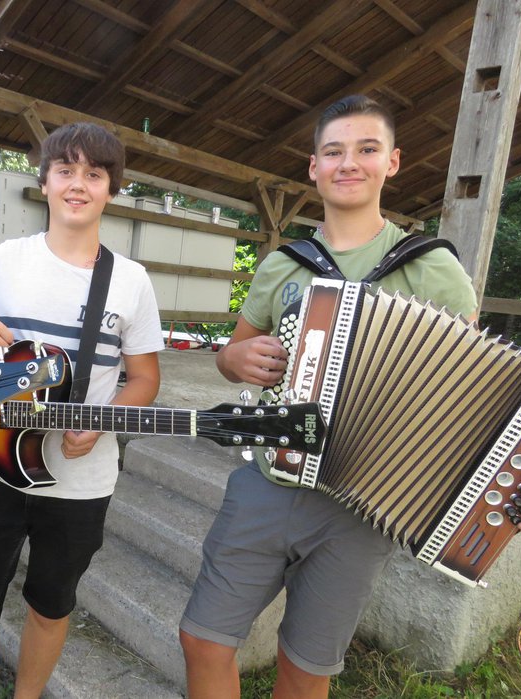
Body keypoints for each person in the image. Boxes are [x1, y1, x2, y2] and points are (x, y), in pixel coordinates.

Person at [178, 95, 486, 698]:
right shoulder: (283, 264)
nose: (350, 163)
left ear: (391, 162)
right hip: (268, 480)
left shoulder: (432, 267)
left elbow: (476, 388)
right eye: (334, 151)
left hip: (362, 502)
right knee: (203, 639)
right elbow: (230, 359)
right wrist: (235, 358)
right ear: (313, 166)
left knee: (306, 668)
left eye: (367, 149)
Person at [0, 122, 163, 698]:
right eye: (66, 170)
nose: (78, 184)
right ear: (45, 182)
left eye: (94, 174)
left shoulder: (131, 281)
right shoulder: (8, 260)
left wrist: (101, 422)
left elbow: (145, 377)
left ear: (112, 190)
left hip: (80, 481)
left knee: (52, 605)